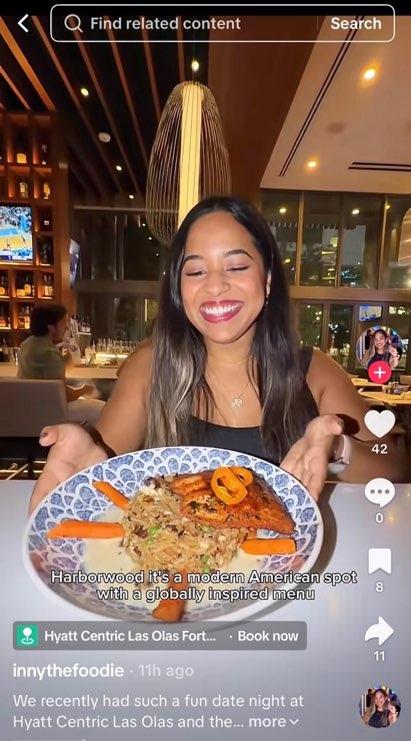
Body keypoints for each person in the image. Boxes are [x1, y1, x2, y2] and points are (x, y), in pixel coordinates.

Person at [29, 197, 410, 513]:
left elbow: (394, 465)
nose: (215, 286)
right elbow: (104, 463)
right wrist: (86, 453)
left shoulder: (314, 372)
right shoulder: (151, 366)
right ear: (179, 289)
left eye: (237, 266)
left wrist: (337, 447)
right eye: (195, 272)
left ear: (267, 280)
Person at [18, 304, 105, 426]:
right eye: (64, 322)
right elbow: (63, 396)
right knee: (104, 410)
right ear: (51, 327)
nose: (67, 326)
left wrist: (66, 353)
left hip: (29, 407)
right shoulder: (49, 352)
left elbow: (51, 382)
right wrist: (84, 390)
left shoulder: (26, 345)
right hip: (50, 410)